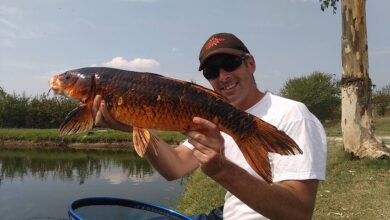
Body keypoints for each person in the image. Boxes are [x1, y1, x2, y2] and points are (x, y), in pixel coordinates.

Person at [92, 33, 327, 220]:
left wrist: (221, 169)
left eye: (230, 63)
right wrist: (138, 126)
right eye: (211, 71)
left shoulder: (292, 114)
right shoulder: (211, 114)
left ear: (251, 64)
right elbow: (175, 167)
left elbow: (298, 213)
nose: (222, 76)